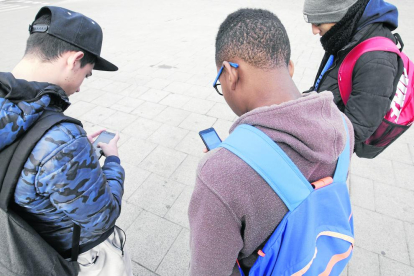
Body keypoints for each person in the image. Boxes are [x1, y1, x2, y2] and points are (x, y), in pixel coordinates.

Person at [188, 8, 354, 276]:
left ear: (231, 74)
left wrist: (224, 165)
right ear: (289, 67)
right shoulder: (343, 126)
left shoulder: (219, 175)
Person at [0, 6, 130, 274]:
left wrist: (80, 159)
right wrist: (113, 160)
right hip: (61, 254)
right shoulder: (62, 140)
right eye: (87, 73)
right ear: (74, 59)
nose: (81, 85)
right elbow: (102, 218)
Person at [303, 0, 401, 154]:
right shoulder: (344, 35)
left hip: (331, 148)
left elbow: (356, 130)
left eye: (318, 23)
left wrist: (304, 137)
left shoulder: (377, 61)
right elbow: (328, 83)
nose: (314, 31)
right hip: (323, 128)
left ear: (340, 16)